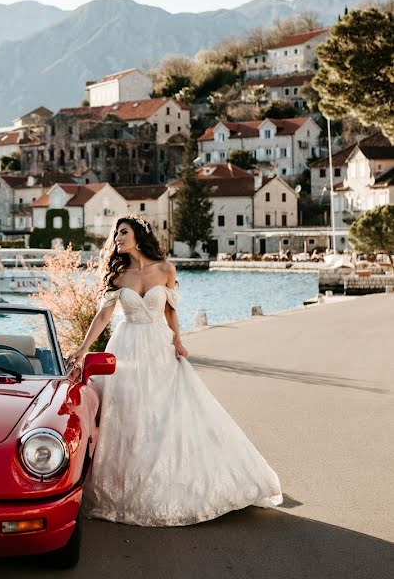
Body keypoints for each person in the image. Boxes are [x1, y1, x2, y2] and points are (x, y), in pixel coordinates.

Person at [66, 216, 282, 526]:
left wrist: (179, 341)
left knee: (164, 412)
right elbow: (104, 315)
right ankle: (127, 485)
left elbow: (169, 310)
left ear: (138, 236)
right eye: (116, 234)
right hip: (126, 348)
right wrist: (84, 348)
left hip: (158, 346)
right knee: (128, 415)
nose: (117, 238)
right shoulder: (118, 275)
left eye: (123, 233)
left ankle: (169, 481)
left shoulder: (166, 269)